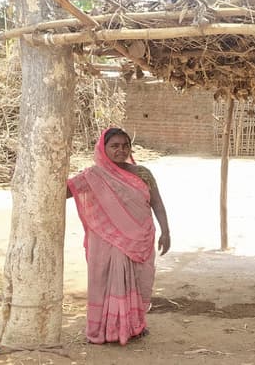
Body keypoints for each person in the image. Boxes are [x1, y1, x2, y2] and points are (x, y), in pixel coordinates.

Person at [67, 127, 171, 345]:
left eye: (125, 146)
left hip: (140, 237)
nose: (121, 150)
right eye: (114, 146)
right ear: (103, 149)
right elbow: (67, 191)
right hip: (108, 241)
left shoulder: (142, 173)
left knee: (138, 280)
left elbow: (157, 203)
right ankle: (106, 329)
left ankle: (134, 326)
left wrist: (166, 231)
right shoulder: (93, 176)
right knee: (109, 282)